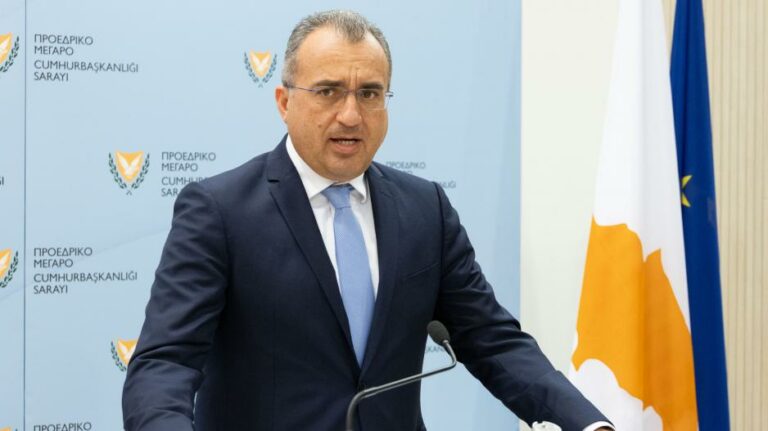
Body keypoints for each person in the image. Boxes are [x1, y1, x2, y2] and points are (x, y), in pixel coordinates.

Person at [122, 10, 613, 431]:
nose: (352, 115)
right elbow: (166, 362)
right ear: (285, 102)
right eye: (329, 91)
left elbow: (492, 340)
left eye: (370, 94)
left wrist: (589, 423)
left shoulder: (425, 209)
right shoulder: (220, 211)